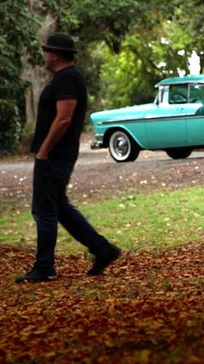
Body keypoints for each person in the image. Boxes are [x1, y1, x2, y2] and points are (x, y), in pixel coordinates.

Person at [16, 32, 121, 283]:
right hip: (56, 154)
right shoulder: (64, 78)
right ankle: (103, 249)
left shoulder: (67, 79)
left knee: (44, 211)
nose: (44, 56)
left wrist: (44, 150)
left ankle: (44, 267)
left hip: (54, 155)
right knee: (59, 207)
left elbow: (64, 118)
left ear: (56, 55)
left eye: (46, 52)